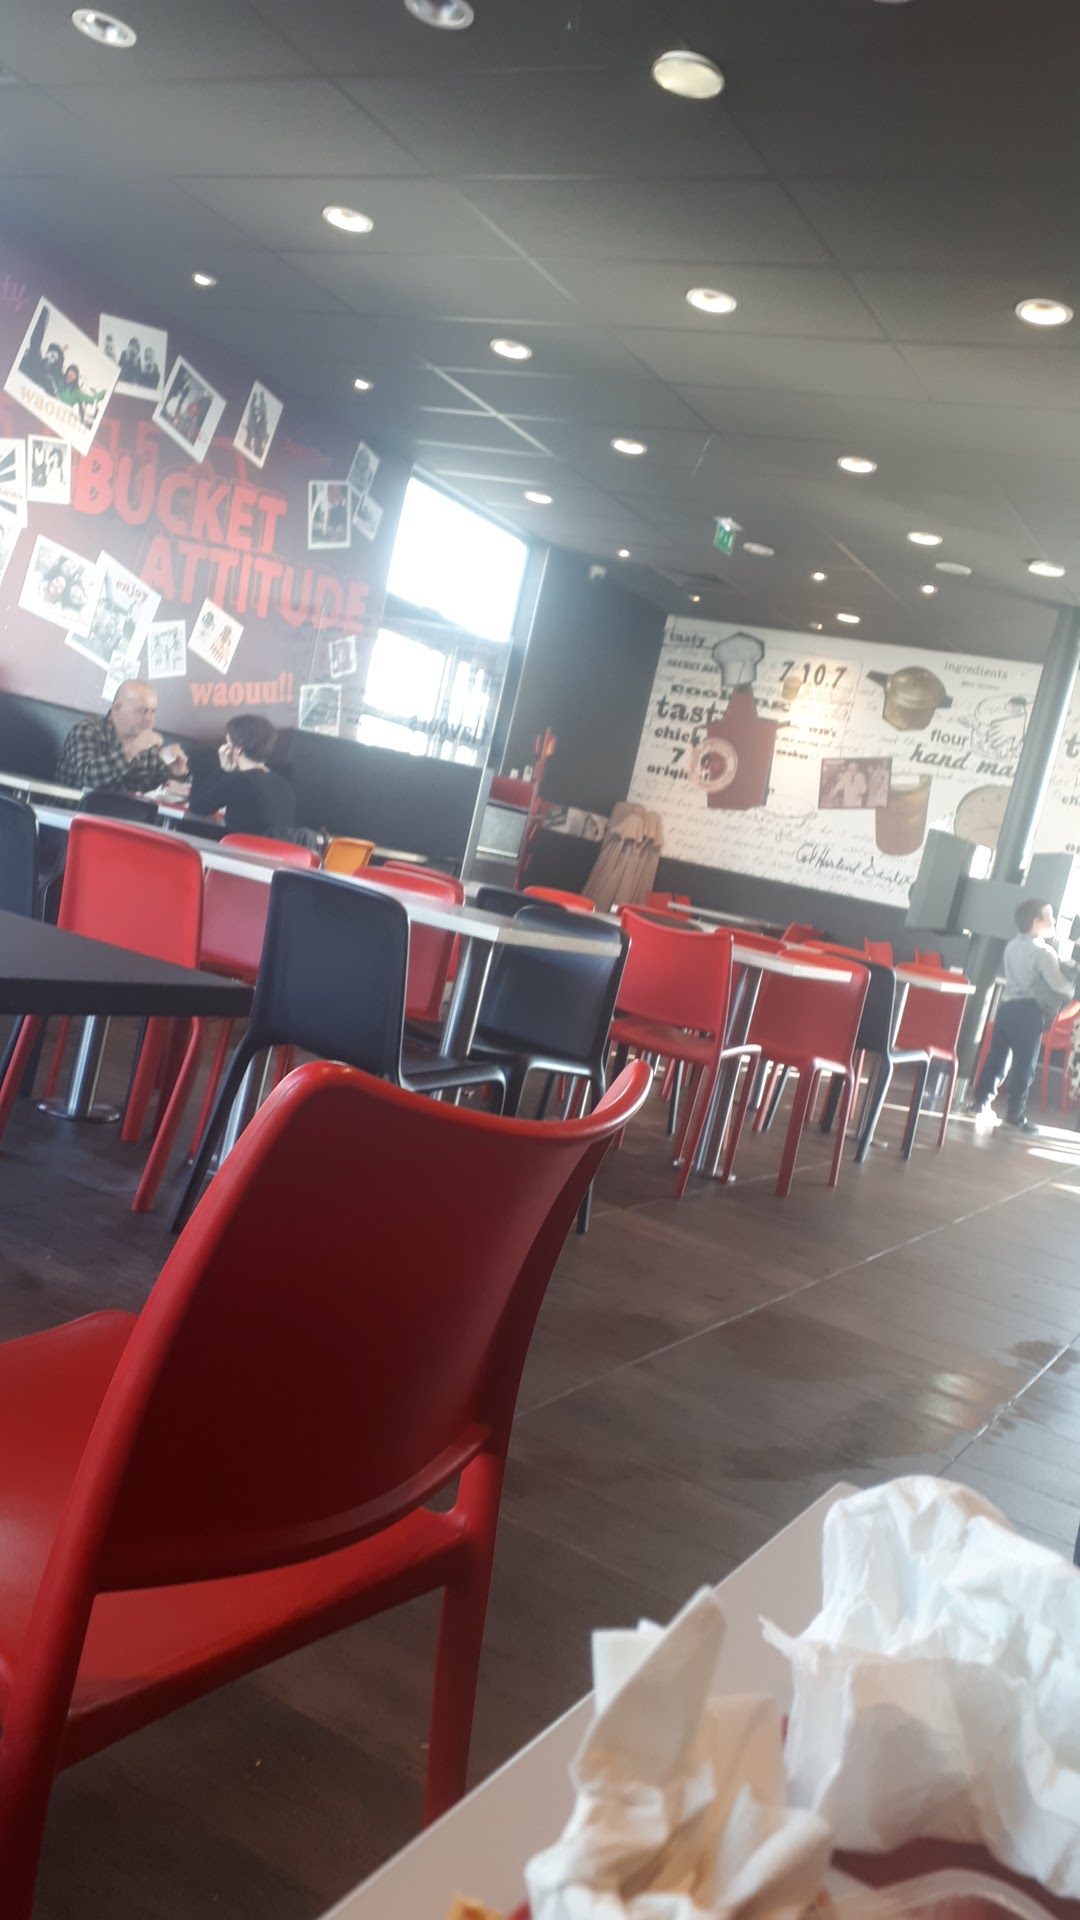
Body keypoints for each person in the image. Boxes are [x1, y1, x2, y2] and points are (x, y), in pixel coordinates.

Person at [969, 900, 1078, 1135]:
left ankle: (980, 1103)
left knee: (997, 1058)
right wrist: (1071, 982)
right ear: (1036, 921)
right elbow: (1060, 986)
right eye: (1049, 916)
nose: (1053, 920)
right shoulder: (1043, 952)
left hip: (1006, 1006)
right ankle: (1014, 1116)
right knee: (1024, 1065)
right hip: (1028, 1011)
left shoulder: (1012, 945)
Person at [57, 680, 189, 794]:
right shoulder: (87, 731)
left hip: (126, 813)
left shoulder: (148, 744)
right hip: (73, 811)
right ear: (118, 708)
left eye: (152, 711)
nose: (149, 719)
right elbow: (89, 778)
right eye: (142, 711)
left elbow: (160, 788)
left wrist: (177, 774)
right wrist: (132, 749)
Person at [189, 713, 295, 839]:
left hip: (235, 848)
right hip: (268, 851)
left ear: (238, 750)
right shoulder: (283, 785)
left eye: (227, 742)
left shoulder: (238, 780)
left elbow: (197, 807)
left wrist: (223, 770)